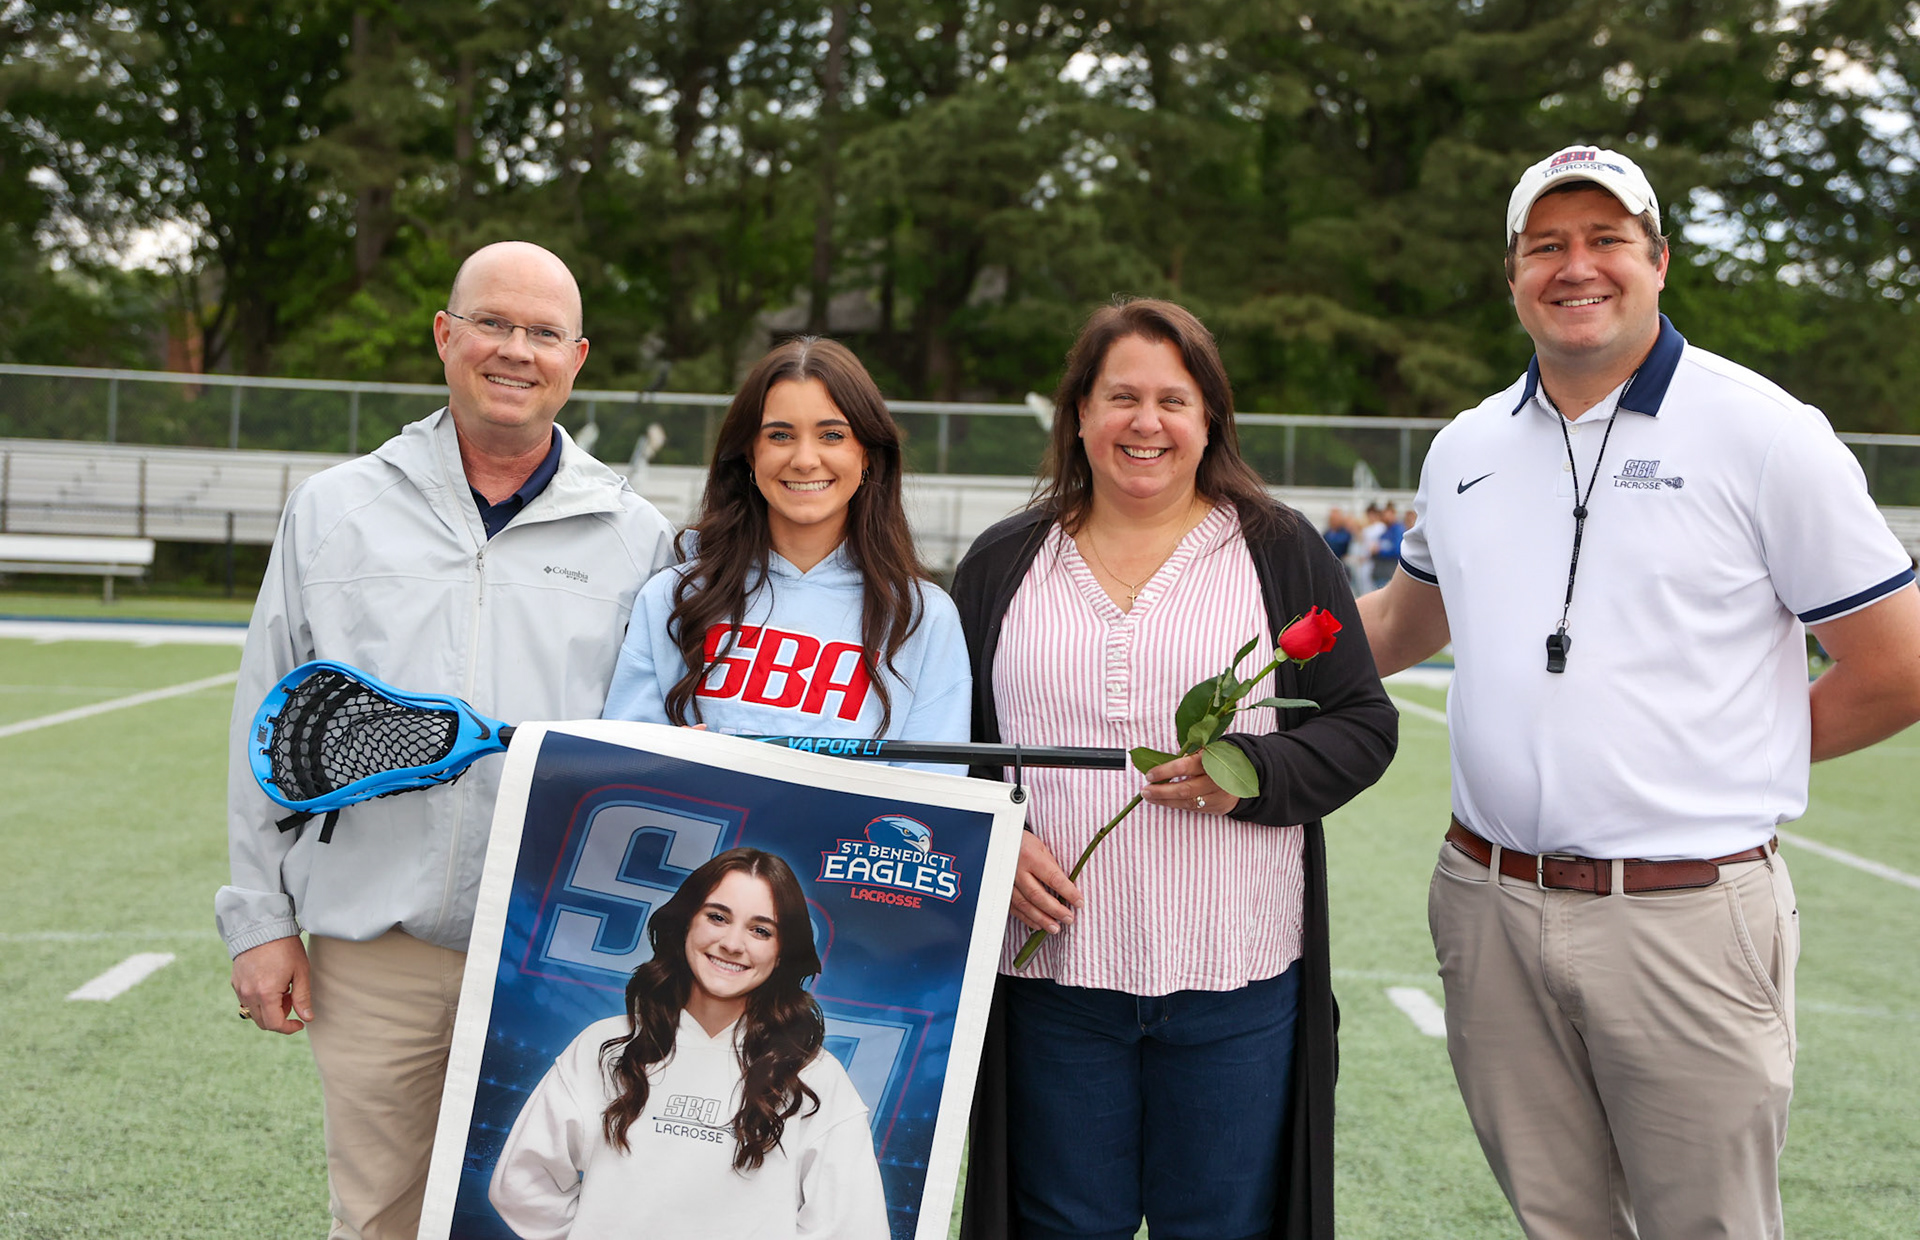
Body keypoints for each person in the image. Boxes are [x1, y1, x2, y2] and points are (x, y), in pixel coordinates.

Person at [1357, 144, 1920, 1239]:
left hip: (1686, 913)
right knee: (1556, 1220)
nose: (1578, 266)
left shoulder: (1766, 433)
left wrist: (1731, 758)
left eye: (1606, 238)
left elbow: (1898, 664)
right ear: (1512, 273)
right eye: (1546, 245)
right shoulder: (1466, 444)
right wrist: (1227, 643)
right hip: (1488, 898)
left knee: (1705, 1226)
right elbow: (1402, 620)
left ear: (1659, 259)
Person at [219, 241, 676, 1240]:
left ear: (578, 356)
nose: (516, 350)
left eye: (542, 332)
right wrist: (257, 917)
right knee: (378, 1212)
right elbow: (266, 715)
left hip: (557, 953)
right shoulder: (336, 511)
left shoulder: (641, 538)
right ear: (446, 334)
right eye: (493, 323)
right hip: (375, 942)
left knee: (544, 1217)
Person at [952, 298, 1398, 1240]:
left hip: (1235, 984)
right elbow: (953, 750)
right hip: (1052, 988)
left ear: (1209, 419)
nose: (1145, 423)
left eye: (1173, 400)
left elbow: (1363, 724)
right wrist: (996, 833)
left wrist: (1255, 773)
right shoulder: (1002, 564)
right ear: (1078, 414)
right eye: (1120, 397)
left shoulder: (1278, 550)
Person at [489, 848, 888, 1240]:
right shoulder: (607, 1045)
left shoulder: (814, 1074)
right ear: (687, 924)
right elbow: (522, 1182)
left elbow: (852, 1224)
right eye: (717, 917)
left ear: (782, 952)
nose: (733, 943)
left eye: (760, 930)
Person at [602, 337, 969, 753]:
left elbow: (931, 795)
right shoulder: (676, 598)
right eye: (780, 435)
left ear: (867, 454)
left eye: (832, 435)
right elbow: (623, 769)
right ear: (748, 454)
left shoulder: (922, 616)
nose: (805, 459)